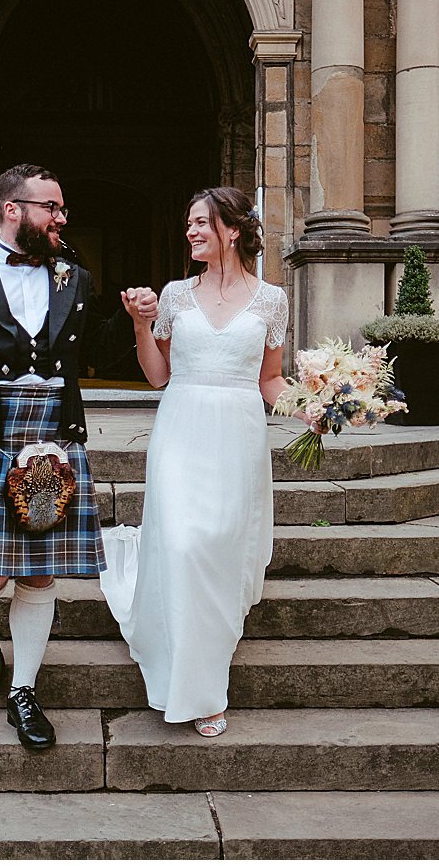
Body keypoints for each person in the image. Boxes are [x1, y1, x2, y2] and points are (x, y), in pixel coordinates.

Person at [0, 163, 156, 750]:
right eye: (52, 207)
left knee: (41, 572)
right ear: (13, 210)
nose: (62, 218)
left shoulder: (76, 278)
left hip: (57, 434)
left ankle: (24, 691)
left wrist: (135, 318)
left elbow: (94, 351)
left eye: (61, 208)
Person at [100, 185, 293, 737]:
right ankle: (200, 691)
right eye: (188, 224)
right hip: (180, 429)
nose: (190, 232)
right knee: (184, 544)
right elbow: (158, 376)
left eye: (201, 223)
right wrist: (141, 322)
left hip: (236, 435)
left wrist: (318, 408)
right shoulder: (175, 295)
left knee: (217, 549)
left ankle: (203, 658)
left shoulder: (271, 300)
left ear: (232, 230)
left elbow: (270, 381)